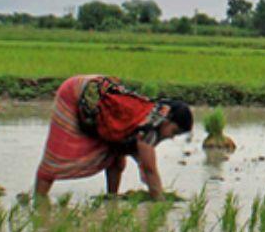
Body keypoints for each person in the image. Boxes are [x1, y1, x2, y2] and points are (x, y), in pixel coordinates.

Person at [34, 75, 192, 198]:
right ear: (167, 120)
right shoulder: (148, 130)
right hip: (75, 92)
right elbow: (150, 170)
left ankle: (112, 197)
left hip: (100, 89)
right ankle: (38, 201)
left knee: (116, 154)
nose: (172, 137)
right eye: (174, 132)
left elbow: (138, 160)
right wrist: (160, 202)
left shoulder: (155, 116)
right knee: (55, 159)